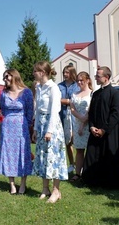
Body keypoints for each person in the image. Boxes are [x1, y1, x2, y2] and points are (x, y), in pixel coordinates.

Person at [82, 66, 119, 189]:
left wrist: (104, 129)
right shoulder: (96, 93)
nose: (95, 78)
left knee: (109, 157)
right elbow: (91, 113)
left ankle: (109, 183)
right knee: (92, 154)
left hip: (109, 132)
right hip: (95, 130)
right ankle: (91, 180)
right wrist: (92, 127)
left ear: (106, 78)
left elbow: (116, 113)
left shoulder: (115, 93)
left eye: (98, 76)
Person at [31, 62, 68, 203]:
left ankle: (56, 190)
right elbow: (37, 109)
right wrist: (35, 129)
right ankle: (45, 188)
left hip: (51, 125)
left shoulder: (53, 88)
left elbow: (54, 110)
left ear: (43, 72)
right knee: (42, 156)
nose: (34, 73)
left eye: (36, 71)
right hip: (40, 124)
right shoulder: (39, 87)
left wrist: (50, 131)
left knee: (54, 157)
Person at [0, 68, 34, 195]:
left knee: (23, 154)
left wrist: (28, 127)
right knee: (8, 154)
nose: (5, 80)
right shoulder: (4, 94)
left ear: (14, 77)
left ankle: (23, 184)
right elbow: (2, 109)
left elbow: (30, 111)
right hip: (7, 127)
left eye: (7, 77)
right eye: (4, 78)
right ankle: (12, 184)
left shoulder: (27, 92)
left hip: (21, 126)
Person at [69, 71, 92, 181]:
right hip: (77, 123)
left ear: (87, 80)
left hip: (88, 124)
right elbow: (72, 109)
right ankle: (77, 173)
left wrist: (84, 122)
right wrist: (80, 118)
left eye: (81, 80)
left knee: (89, 149)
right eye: (78, 80)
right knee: (79, 150)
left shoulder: (92, 93)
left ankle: (88, 172)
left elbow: (90, 109)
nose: (79, 82)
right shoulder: (74, 94)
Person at [58, 65, 79, 173]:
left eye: (67, 72)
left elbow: (75, 100)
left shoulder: (77, 85)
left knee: (76, 140)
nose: (65, 75)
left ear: (72, 73)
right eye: (64, 72)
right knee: (67, 141)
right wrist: (68, 101)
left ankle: (80, 164)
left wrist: (65, 101)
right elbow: (56, 99)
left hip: (75, 116)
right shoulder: (59, 86)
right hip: (63, 115)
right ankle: (72, 164)